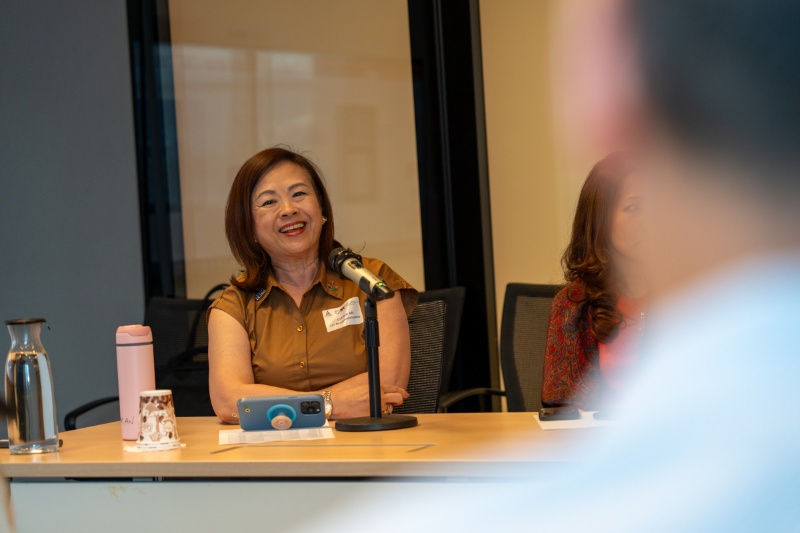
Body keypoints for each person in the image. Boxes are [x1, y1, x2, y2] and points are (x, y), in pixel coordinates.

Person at [207, 147, 418, 423]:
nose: (289, 210)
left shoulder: (371, 280)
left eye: (299, 194)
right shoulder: (234, 306)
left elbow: (389, 381)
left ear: (321, 209)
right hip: (274, 448)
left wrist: (279, 404)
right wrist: (329, 404)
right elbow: (228, 401)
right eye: (269, 202)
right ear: (249, 228)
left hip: (364, 442)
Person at [542, 152, 645, 410]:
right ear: (600, 220)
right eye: (633, 208)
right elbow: (561, 407)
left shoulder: (692, 294)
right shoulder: (574, 305)